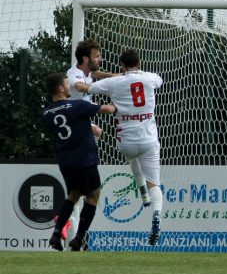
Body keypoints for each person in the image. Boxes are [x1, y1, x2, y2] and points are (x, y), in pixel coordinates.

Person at [65, 39, 138, 249]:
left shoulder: (88, 73)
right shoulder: (74, 74)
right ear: (86, 58)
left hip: (82, 132)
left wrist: (116, 77)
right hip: (76, 130)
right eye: (97, 56)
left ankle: (77, 236)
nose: (100, 59)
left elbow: (97, 75)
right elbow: (79, 86)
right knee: (86, 191)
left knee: (82, 192)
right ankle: (68, 230)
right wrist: (103, 87)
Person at [87, 48, 164, 245]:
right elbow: (159, 81)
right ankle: (156, 213)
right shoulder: (149, 78)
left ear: (121, 65)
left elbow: (89, 88)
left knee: (132, 158)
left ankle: (142, 193)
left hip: (126, 141)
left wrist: (83, 79)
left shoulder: (114, 82)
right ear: (139, 62)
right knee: (154, 183)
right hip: (148, 140)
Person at [42, 73, 116, 251]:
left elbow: (68, 123)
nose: (70, 87)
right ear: (60, 88)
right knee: (93, 195)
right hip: (84, 160)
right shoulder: (78, 105)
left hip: (65, 161)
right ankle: (79, 238)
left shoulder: (45, 113)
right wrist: (120, 100)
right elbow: (108, 109)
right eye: (67, 84)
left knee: (73, 195)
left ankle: (56, 233)